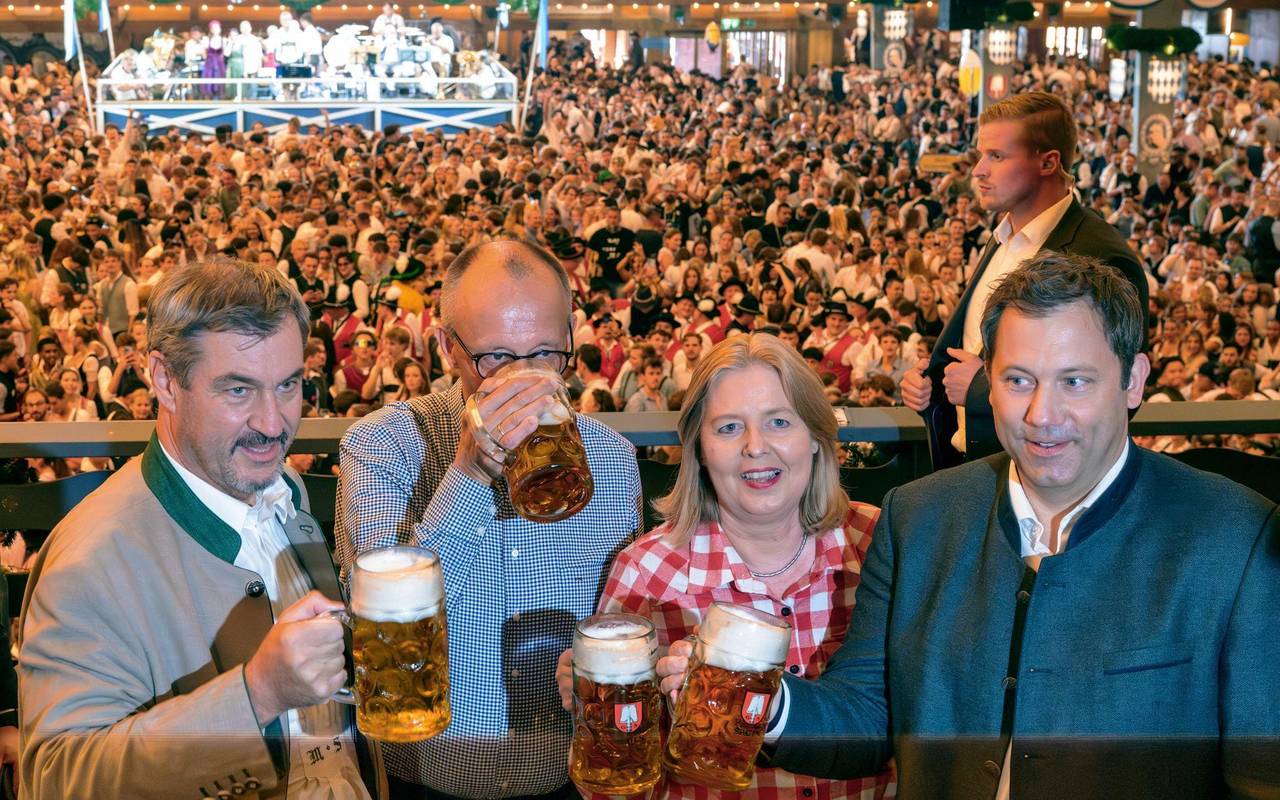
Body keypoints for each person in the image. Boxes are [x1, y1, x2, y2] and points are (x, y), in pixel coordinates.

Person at [659, 253, 1280, 799]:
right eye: (1017, 381)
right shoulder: (919, 517)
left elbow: (1261, 777)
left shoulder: (1234, 538)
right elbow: (870, 714)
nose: (1043, 414)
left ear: (1134, 380)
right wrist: (761, 703)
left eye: (1075, 381)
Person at [19, 259, 386, 799]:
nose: (272, 423)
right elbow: (58, 778)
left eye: (287, 386)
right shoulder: (91, 558)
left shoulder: (286, 491)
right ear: (165, 381)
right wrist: (255, 695)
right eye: (238, 391)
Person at [335, 240, 642, 799]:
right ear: (448, 349)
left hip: (568, 776)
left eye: (547, 353)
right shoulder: (382, 445)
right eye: (496, 357)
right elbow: (384, 634)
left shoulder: (612, 459)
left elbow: (619, 622)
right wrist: (468, 474)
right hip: (427, 779)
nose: (524, 380)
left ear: (572, 339)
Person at [555, 333, 893, 800]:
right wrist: (597, 719)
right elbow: (621, 788)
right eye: (729, 428)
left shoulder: (881, 543)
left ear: (816, 436)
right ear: (698, 449)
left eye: (779, 421)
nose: (755, 447)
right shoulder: (646, 575)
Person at [900, 92, 1148, 469]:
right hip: (974, 468)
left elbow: (1115, 394)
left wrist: (982, 391)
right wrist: (928, 382)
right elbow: (972, 354)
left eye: (997, 156)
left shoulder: (1098, 255)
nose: (978, 170)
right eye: (982, 155)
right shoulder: (1002, 237)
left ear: (1048, 162)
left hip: (1043, 479)